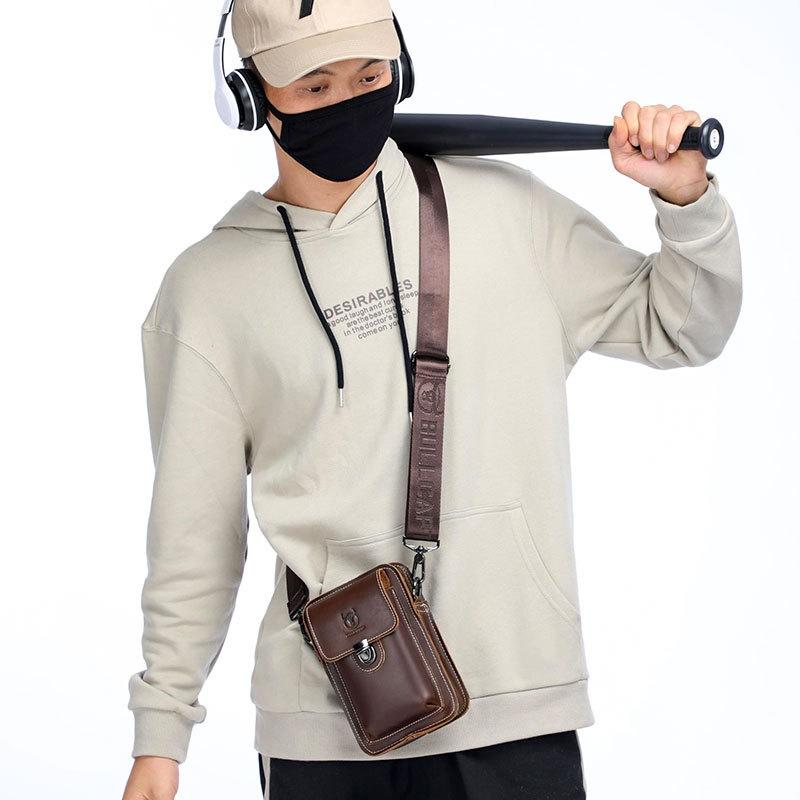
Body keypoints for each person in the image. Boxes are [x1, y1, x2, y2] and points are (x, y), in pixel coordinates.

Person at [121, 1, 743, 798]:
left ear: (400, 67)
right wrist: (161, 737)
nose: (347, 100)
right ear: (250, 98)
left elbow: (683, 329)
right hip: (326, 729)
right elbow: (194, 537)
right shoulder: (207, 292)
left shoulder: (509, 210)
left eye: (368, 75)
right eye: (314, 86)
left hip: (516, 712)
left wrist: (687, 202)